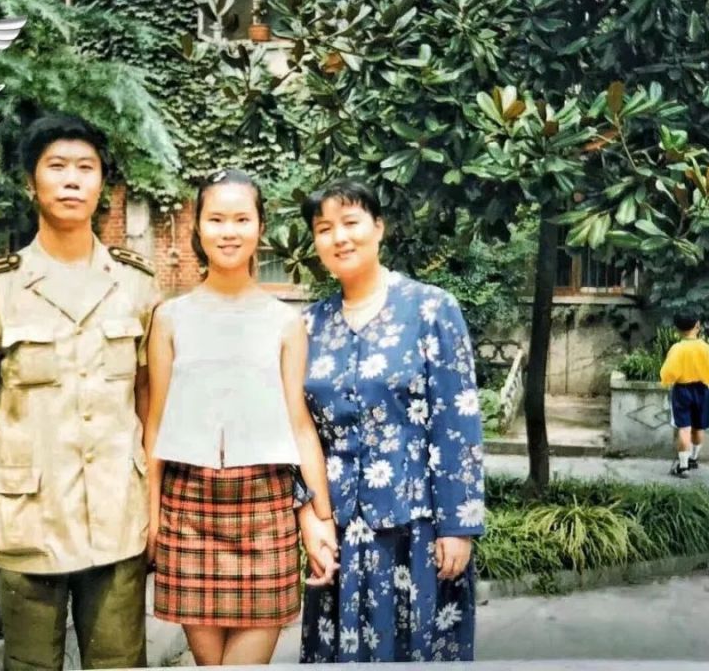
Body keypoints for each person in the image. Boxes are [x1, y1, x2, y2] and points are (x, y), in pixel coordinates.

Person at [0, 114, 161, 669]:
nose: (72, 180)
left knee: (120, 664)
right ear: (31, 183)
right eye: (57, 166)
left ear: (102, 186)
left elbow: (149, 399)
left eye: (85, 168)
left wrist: (154, 507)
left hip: (118, 514)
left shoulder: (136, 285)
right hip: (28, 517)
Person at [145, 169, 339, 666]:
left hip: (265, 508)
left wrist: (321, 520)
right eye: (215, 219)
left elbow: (299, 424)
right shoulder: (170, 318)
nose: (228, 231)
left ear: (260, 227)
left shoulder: (285, 321)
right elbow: (156, 424)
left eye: (241, 219)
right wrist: (151, 515)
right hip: (188, 508)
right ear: (198, 227)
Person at [297, 178, 485, 663]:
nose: (339, 237)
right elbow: (295, 430)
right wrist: (310, 516)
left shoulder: (431, 309)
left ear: (378, 227)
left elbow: (458, 420)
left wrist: (458, 526)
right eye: (324, 228)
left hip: (417, 527)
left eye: (351, 222)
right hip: (337, 528)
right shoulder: (308, 325)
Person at [659, 311, 709, 479]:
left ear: (677, 329)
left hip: (682, 390)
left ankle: (683, 466)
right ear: (697, 325)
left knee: (684, 428)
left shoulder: (677, 348)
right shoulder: (704, 347)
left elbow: (668, 372)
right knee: (699, 427)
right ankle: (694, 458)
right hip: (701, 390)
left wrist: (667, 381)